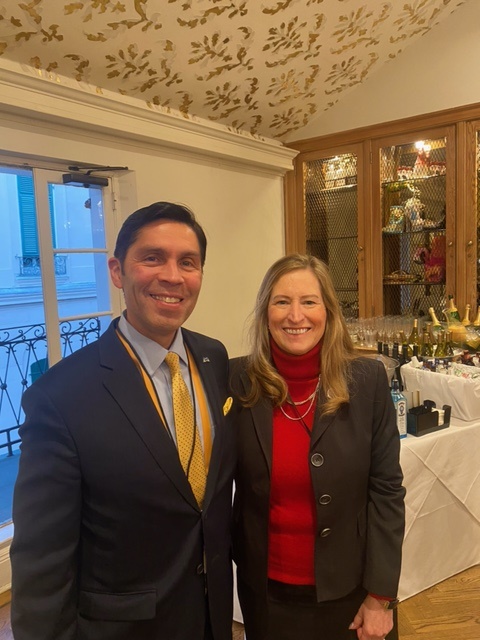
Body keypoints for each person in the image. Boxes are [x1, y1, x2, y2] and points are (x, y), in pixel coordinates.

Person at [11, 202, 236, 640]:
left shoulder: (214, 358)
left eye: (187, 262)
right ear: (117, 271)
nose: (172, 276)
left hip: (212, 615)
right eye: (152, 258)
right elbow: (42, 563)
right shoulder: (60, 397)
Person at [230, 254, 405, 640]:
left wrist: (380, 597)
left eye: (309, 301)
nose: (296, 316)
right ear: (265, 312)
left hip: (352, 592)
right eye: (282, 301)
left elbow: (387, 492)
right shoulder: (236, 380)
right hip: (267, 594)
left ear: (328, 311)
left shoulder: (367, 380)